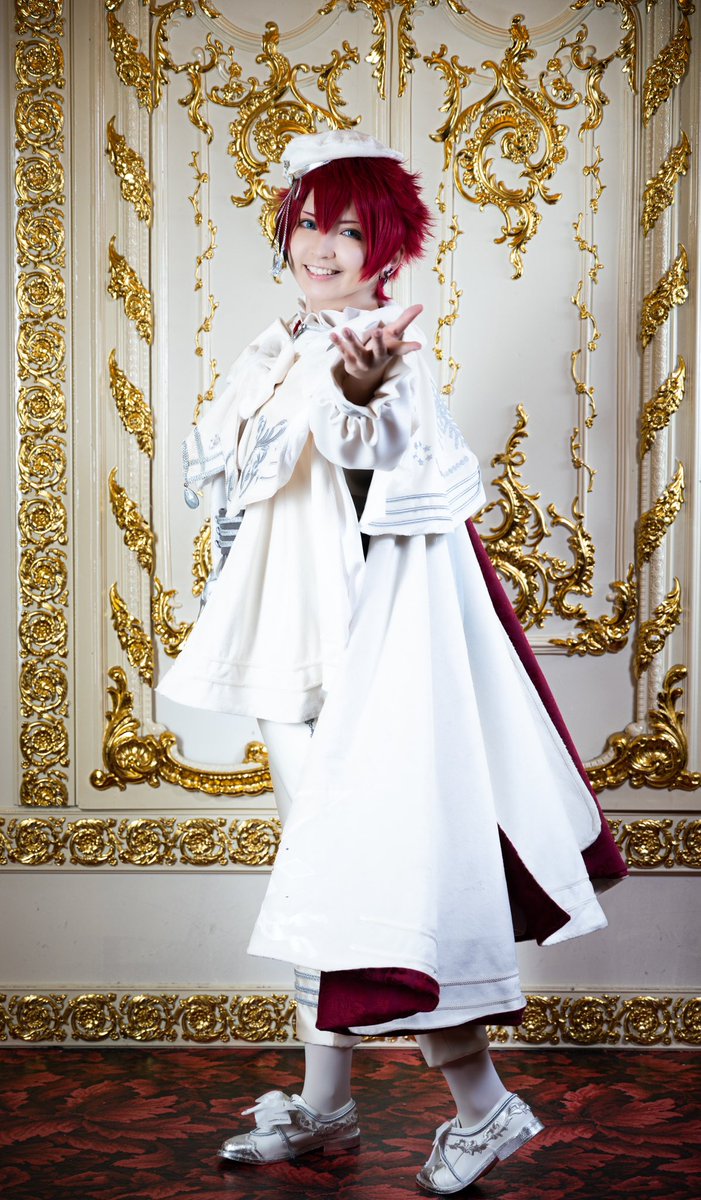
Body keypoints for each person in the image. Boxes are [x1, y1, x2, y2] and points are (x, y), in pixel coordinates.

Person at [157, 129, 627, 1194]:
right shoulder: (283, 345)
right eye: (308, 223)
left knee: (372, 879)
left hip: (360, 661)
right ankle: (326, 1106)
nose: (320, 246)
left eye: (349, 230)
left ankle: (483, 1106)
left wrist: (361, 388)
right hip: (292, 654)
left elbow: (370, 441)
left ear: (387, 249)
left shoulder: (380, 353)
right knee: (322, 881)